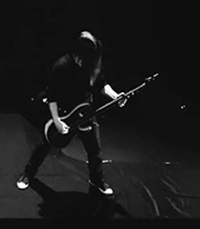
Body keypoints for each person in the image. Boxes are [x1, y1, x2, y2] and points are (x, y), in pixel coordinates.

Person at [17, 30, 126, 196]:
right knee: (46, 144)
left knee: (94, 151)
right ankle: (28, 174)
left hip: (85, 111)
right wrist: (57, 121)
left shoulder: (92, 64)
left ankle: (97, 180)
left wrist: (115, 96)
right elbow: (52, 96)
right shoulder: (62, 66)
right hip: (64, 113)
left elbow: (102, 84)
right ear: (79, 55)